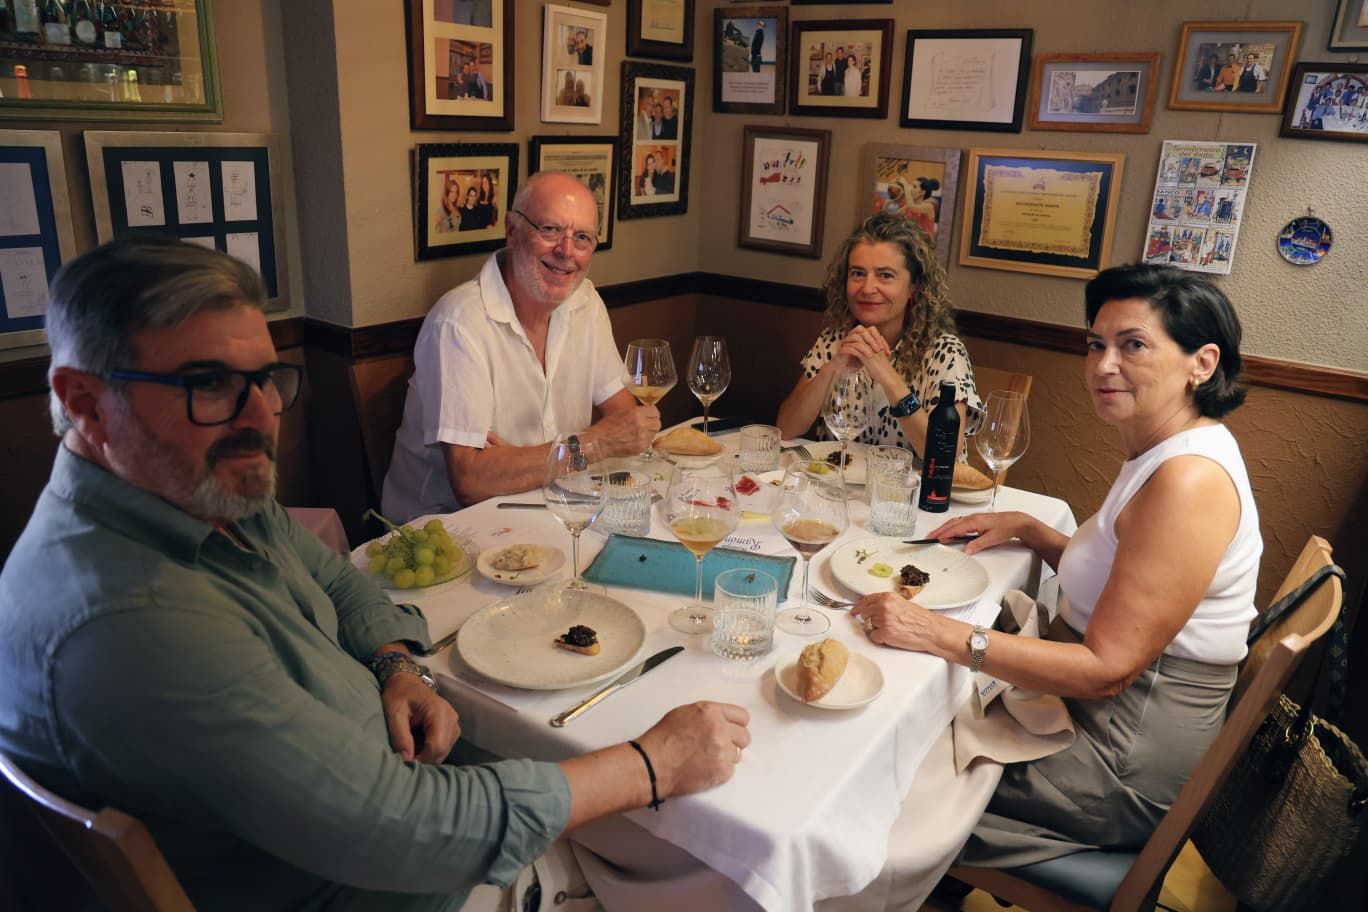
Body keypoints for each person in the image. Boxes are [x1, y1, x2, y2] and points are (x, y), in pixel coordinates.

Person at [0, 235, 751, 912]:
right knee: (719, 868)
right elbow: (411, 830)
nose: (261, 415)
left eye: (265, 378)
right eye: (210, 383)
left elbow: (337, 580)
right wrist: (650, 765)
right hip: (388, 886)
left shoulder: (197, 491)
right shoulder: (130, 623)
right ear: (86, 404)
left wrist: (396, 668)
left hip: (398, 806)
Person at [851, 263, 1260, 893]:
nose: (1102, 365)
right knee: (915, 709)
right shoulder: (1172, 446)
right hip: (1100, 714)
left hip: (1119, 757)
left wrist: (937, 633)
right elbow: (1131, 579)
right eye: (1096, 344)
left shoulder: (1188, 482)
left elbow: (1108, 668)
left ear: (1201, 364)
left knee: (877, 768)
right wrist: (1030, 529)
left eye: (1134, 345)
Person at [384, 172, 662, 517]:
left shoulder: (586, 302)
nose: (566, 251)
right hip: (445, 528)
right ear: (512, 231)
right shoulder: (459, 322)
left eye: (583, 238)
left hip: (550, 505)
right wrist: (593, 442)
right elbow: (471, 481)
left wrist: (519, 461)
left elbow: (626, 422)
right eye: (549, 230)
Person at [776, 211, 983, 459]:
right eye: (858, 273)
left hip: (915, 495)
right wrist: (835, 366)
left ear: (914, 287)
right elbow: (785, 429)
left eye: (885, 275)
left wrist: (886, 374)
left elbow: (943, 455)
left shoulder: (946, 352)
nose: (867, 288)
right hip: (840, 489)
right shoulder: (835, 339)